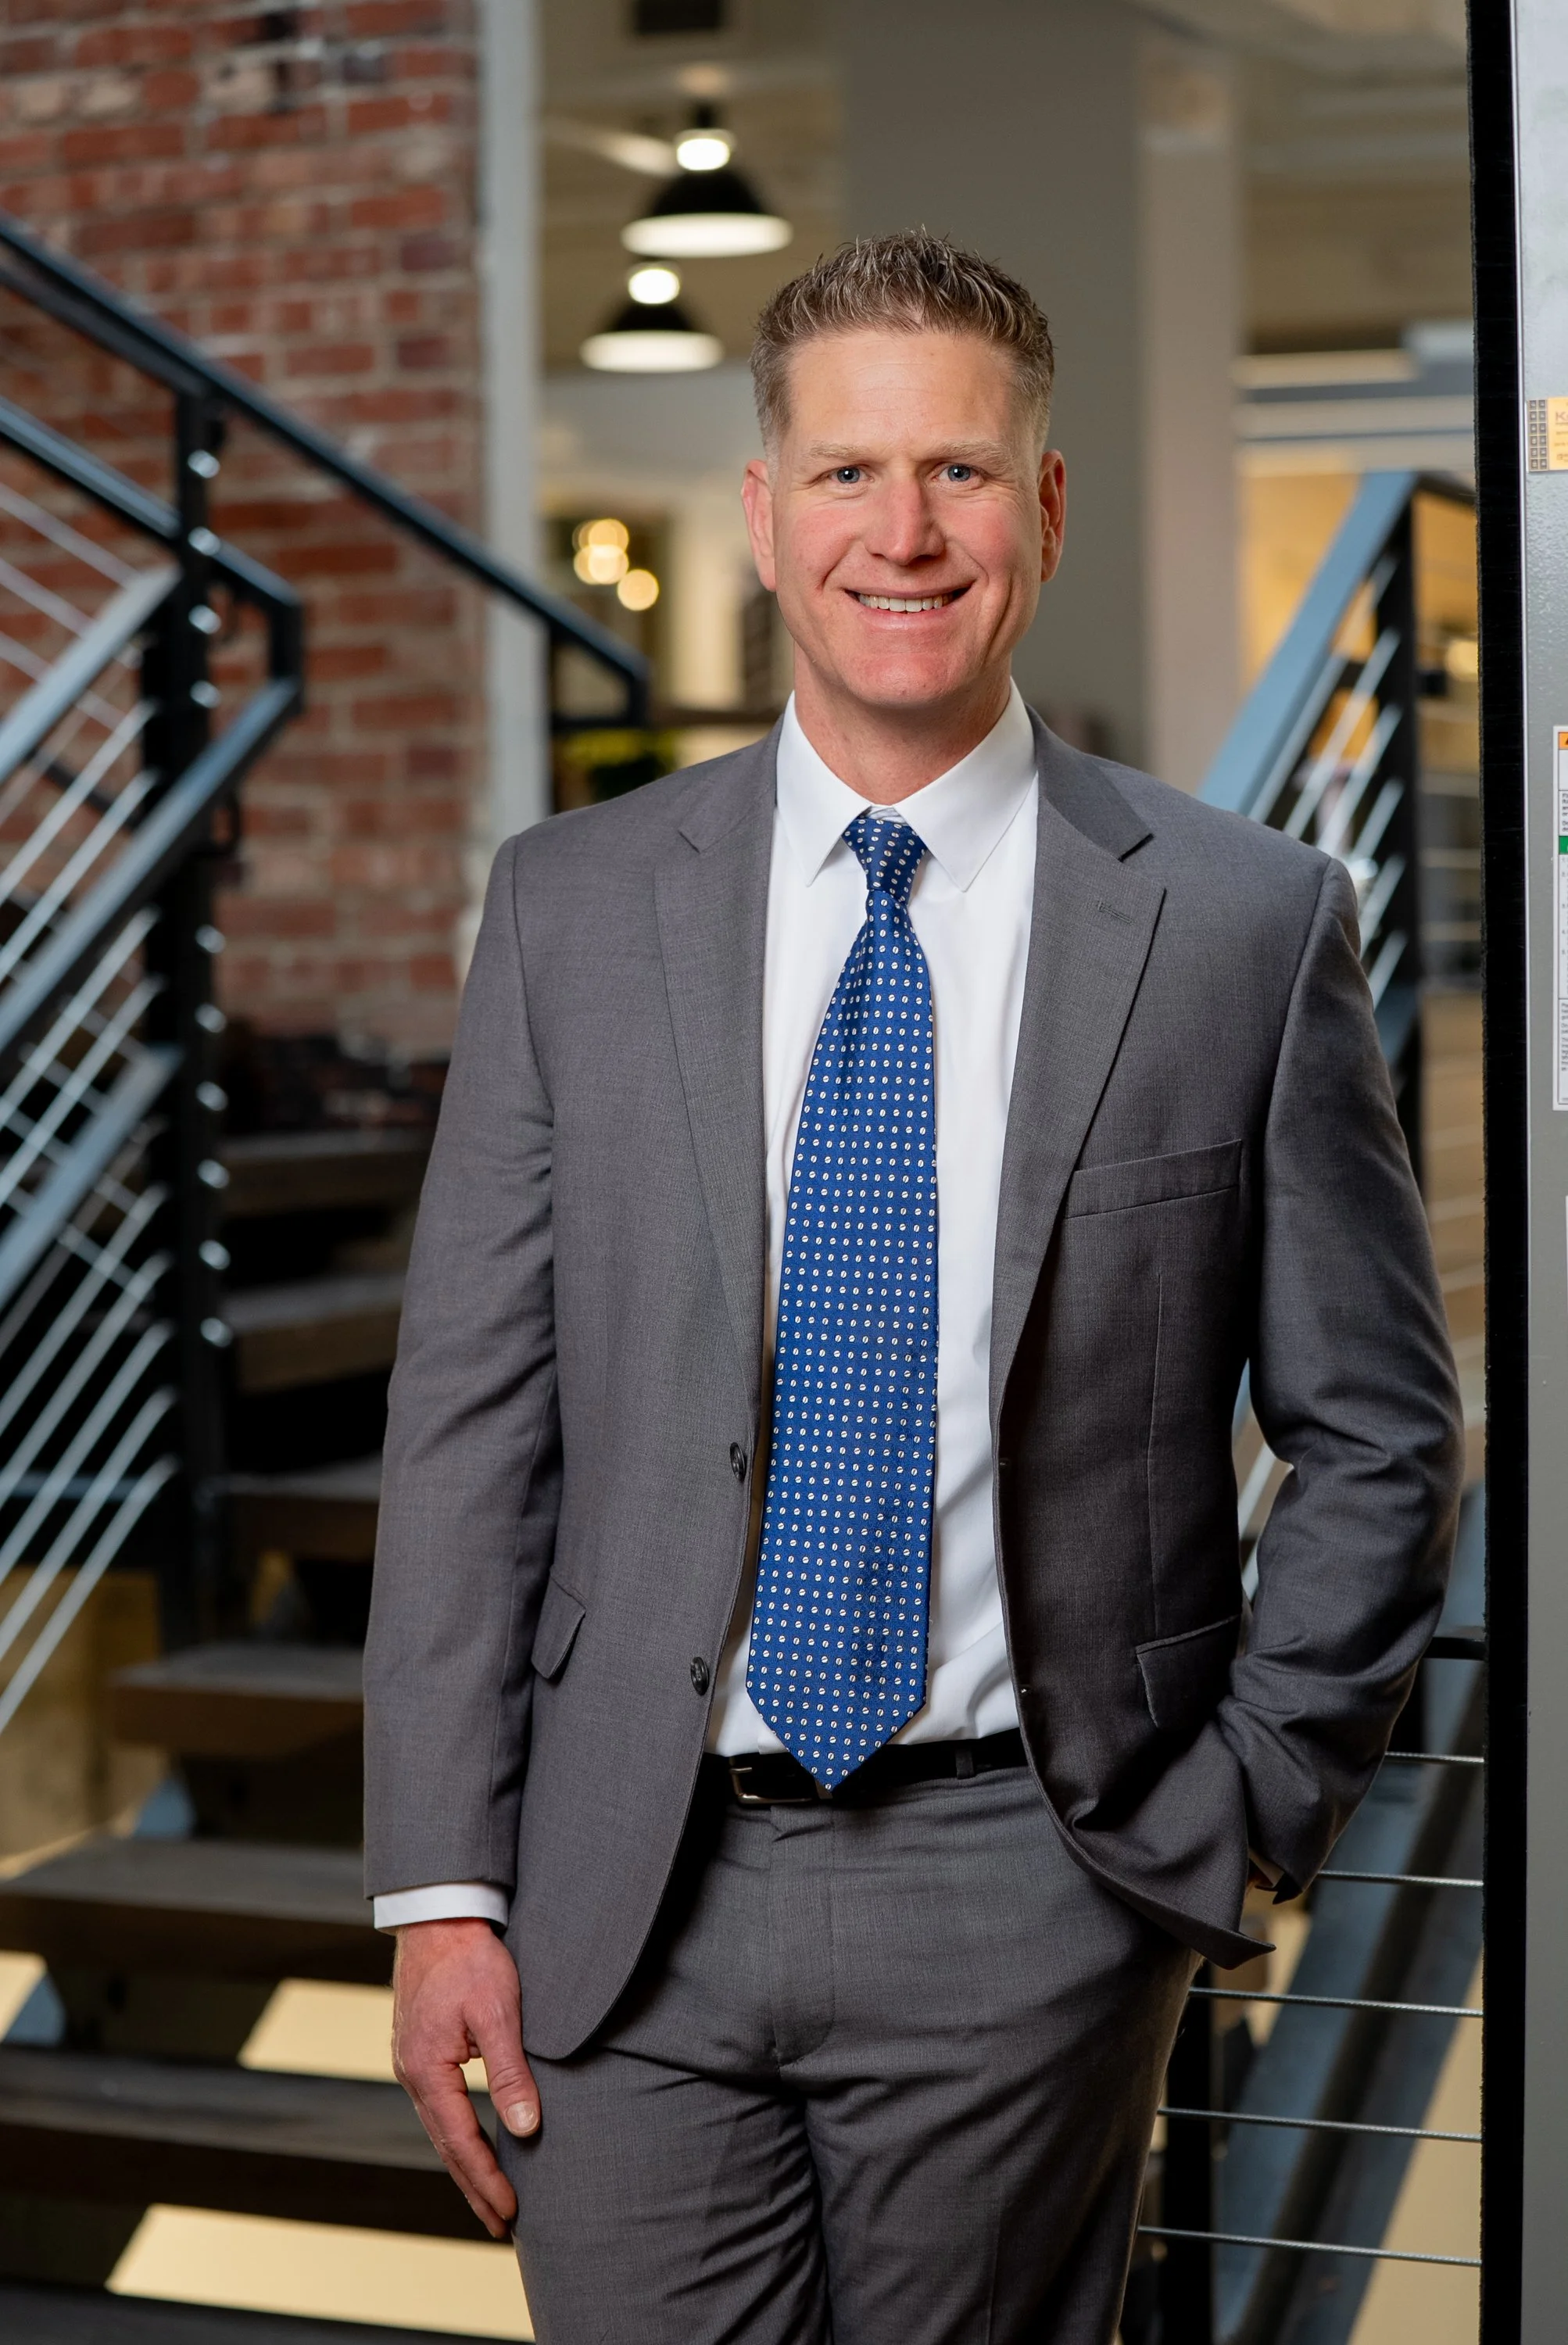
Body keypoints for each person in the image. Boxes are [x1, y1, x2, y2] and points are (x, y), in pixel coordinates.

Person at [363, 232, 1462, 2345]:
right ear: (766, 515)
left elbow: (1375, 1427)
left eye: (959, 473)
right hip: (622, 1889)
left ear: (1039, 511)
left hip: (1029, 1886)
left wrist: (1232, 1820)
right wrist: (443, 1888)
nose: (903, 531)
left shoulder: (1239, 923)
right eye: (850, 474)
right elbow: (474, 1417)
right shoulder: (574, 907)